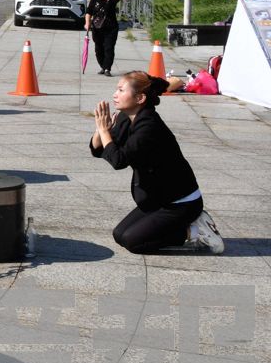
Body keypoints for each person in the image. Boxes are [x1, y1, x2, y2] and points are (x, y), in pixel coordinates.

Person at [90, 71, 224, 254]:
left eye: (121, 90)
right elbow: (101, 150)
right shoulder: (126, 117)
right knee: (120, 234)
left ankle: (194, 230)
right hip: (158, 199)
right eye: (116, 89)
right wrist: (100, 130)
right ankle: (182, 226)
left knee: (133, 242)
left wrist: (105, 132)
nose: (115, 94)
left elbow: (118, 160)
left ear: (140, 98)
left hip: (180, 202)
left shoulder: (149, 126)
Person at [84, 0, 122, 76]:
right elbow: (88, 12)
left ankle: (107, 69)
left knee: (108, 48)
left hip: (111, 29)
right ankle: (103, 67)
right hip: (97, 29)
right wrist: (87, 23)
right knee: (98, 49)